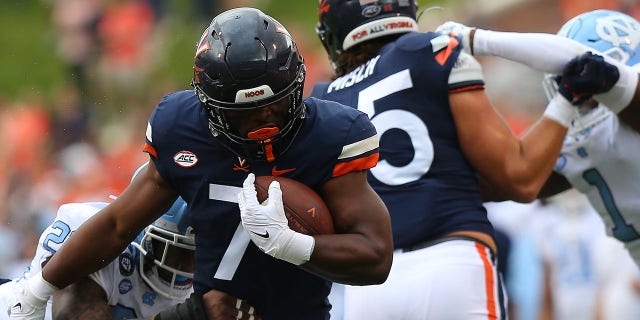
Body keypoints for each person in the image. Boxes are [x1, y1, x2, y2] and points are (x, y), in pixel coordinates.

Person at [6, 7, 393, 320]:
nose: (266, 122)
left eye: (275, 104)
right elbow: (118, 224)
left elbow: (376, 257)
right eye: (246, 114)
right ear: (210, 108)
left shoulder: (332, 135)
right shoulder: (182, 128)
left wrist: (296, 246)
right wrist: (37, 288)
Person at [310, 1, 614, 319]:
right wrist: (567, 100)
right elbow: (520, 178)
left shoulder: (324, 98)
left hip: (369, 289)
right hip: (451, 263)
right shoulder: (430, 51)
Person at [436, 10, 640, 265]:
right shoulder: (584, 141)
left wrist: (472, 39)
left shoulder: (623, 102)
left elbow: (592, 67)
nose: (580, 98)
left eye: (585, 88)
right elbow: (503, 181)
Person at [0, 193, 196, 319]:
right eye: (175, 254)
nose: (182, 268)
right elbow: (74, 312)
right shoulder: (103, 245)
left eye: (195, 255)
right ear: (146, 236)